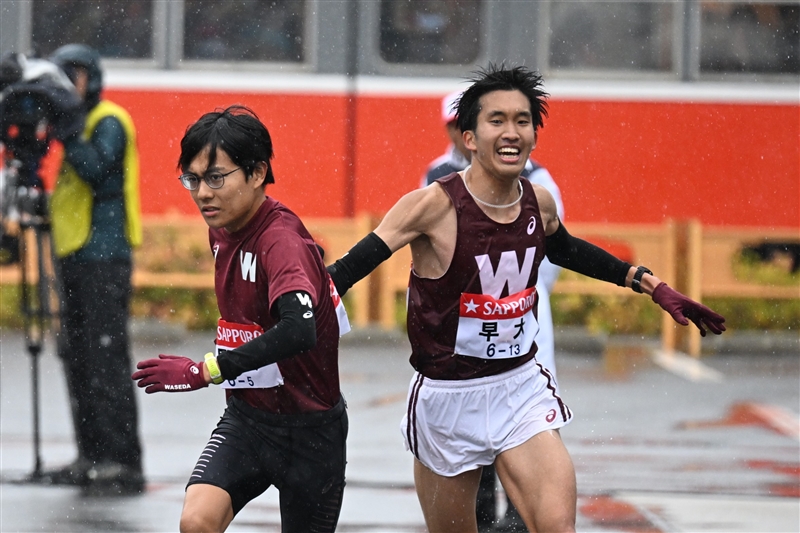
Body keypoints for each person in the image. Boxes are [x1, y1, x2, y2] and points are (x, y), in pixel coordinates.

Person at [328, 64, 725, 533]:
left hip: (519, 388)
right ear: (469, 136)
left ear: (535, 135)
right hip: (447, 397)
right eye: (496, 120)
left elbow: (567, 249)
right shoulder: (430, 205)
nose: (511, 132)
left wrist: (648, 283)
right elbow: (343, 273)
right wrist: (287, 319)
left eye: (523, 121)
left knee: (557, 527)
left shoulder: (540, 201)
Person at [131, 105, 349, 532]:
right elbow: (323, 286)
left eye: (216, 178)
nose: (203, 194)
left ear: (256, 173)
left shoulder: (279, 240)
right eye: (192, 179)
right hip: (249, 421)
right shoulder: (223, 226)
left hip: (312, 433)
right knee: (197, 521)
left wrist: (206, 369)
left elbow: (299, 329)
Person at [423, 89, 566, 531]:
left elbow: (556, 252)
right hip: (461, 352)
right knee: (473, 463)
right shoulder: (436, 177)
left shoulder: (538, 183)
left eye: (519, 123)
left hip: (521, 326)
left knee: (529, 444)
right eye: (451, 125)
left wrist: (511, 296)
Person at [41, 44, 145, 495]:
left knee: (105, 358)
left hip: (105, 255)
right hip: (75, 253)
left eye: (76, 74)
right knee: (77, 355)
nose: (70, 84)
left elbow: (96, 168)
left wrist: (67, 131)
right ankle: (92, 453)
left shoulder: (108, 120)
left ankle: (122, 460)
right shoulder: (77, 124)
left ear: (94, 78)